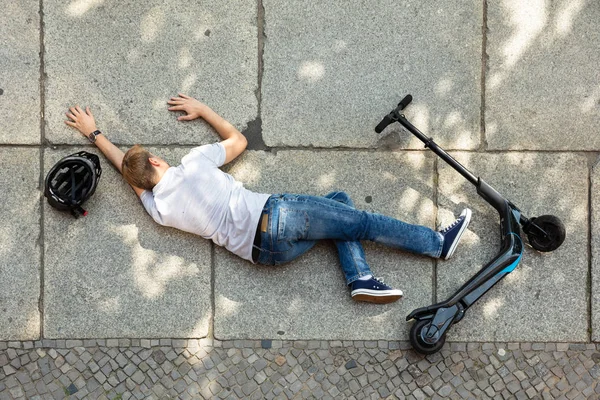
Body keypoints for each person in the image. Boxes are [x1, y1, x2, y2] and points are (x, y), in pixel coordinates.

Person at [65, 94, 471, 304]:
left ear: (141, 181)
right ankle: (438, 244)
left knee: (340, 202)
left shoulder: (158, 209)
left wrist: (94, 134)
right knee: (359, 221)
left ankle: (359, 277)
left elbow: (128, 172)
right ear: (156, 159)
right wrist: (202, 109)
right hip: (278, 217)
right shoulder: (193, 164)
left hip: (264, 256)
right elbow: (237, 140)